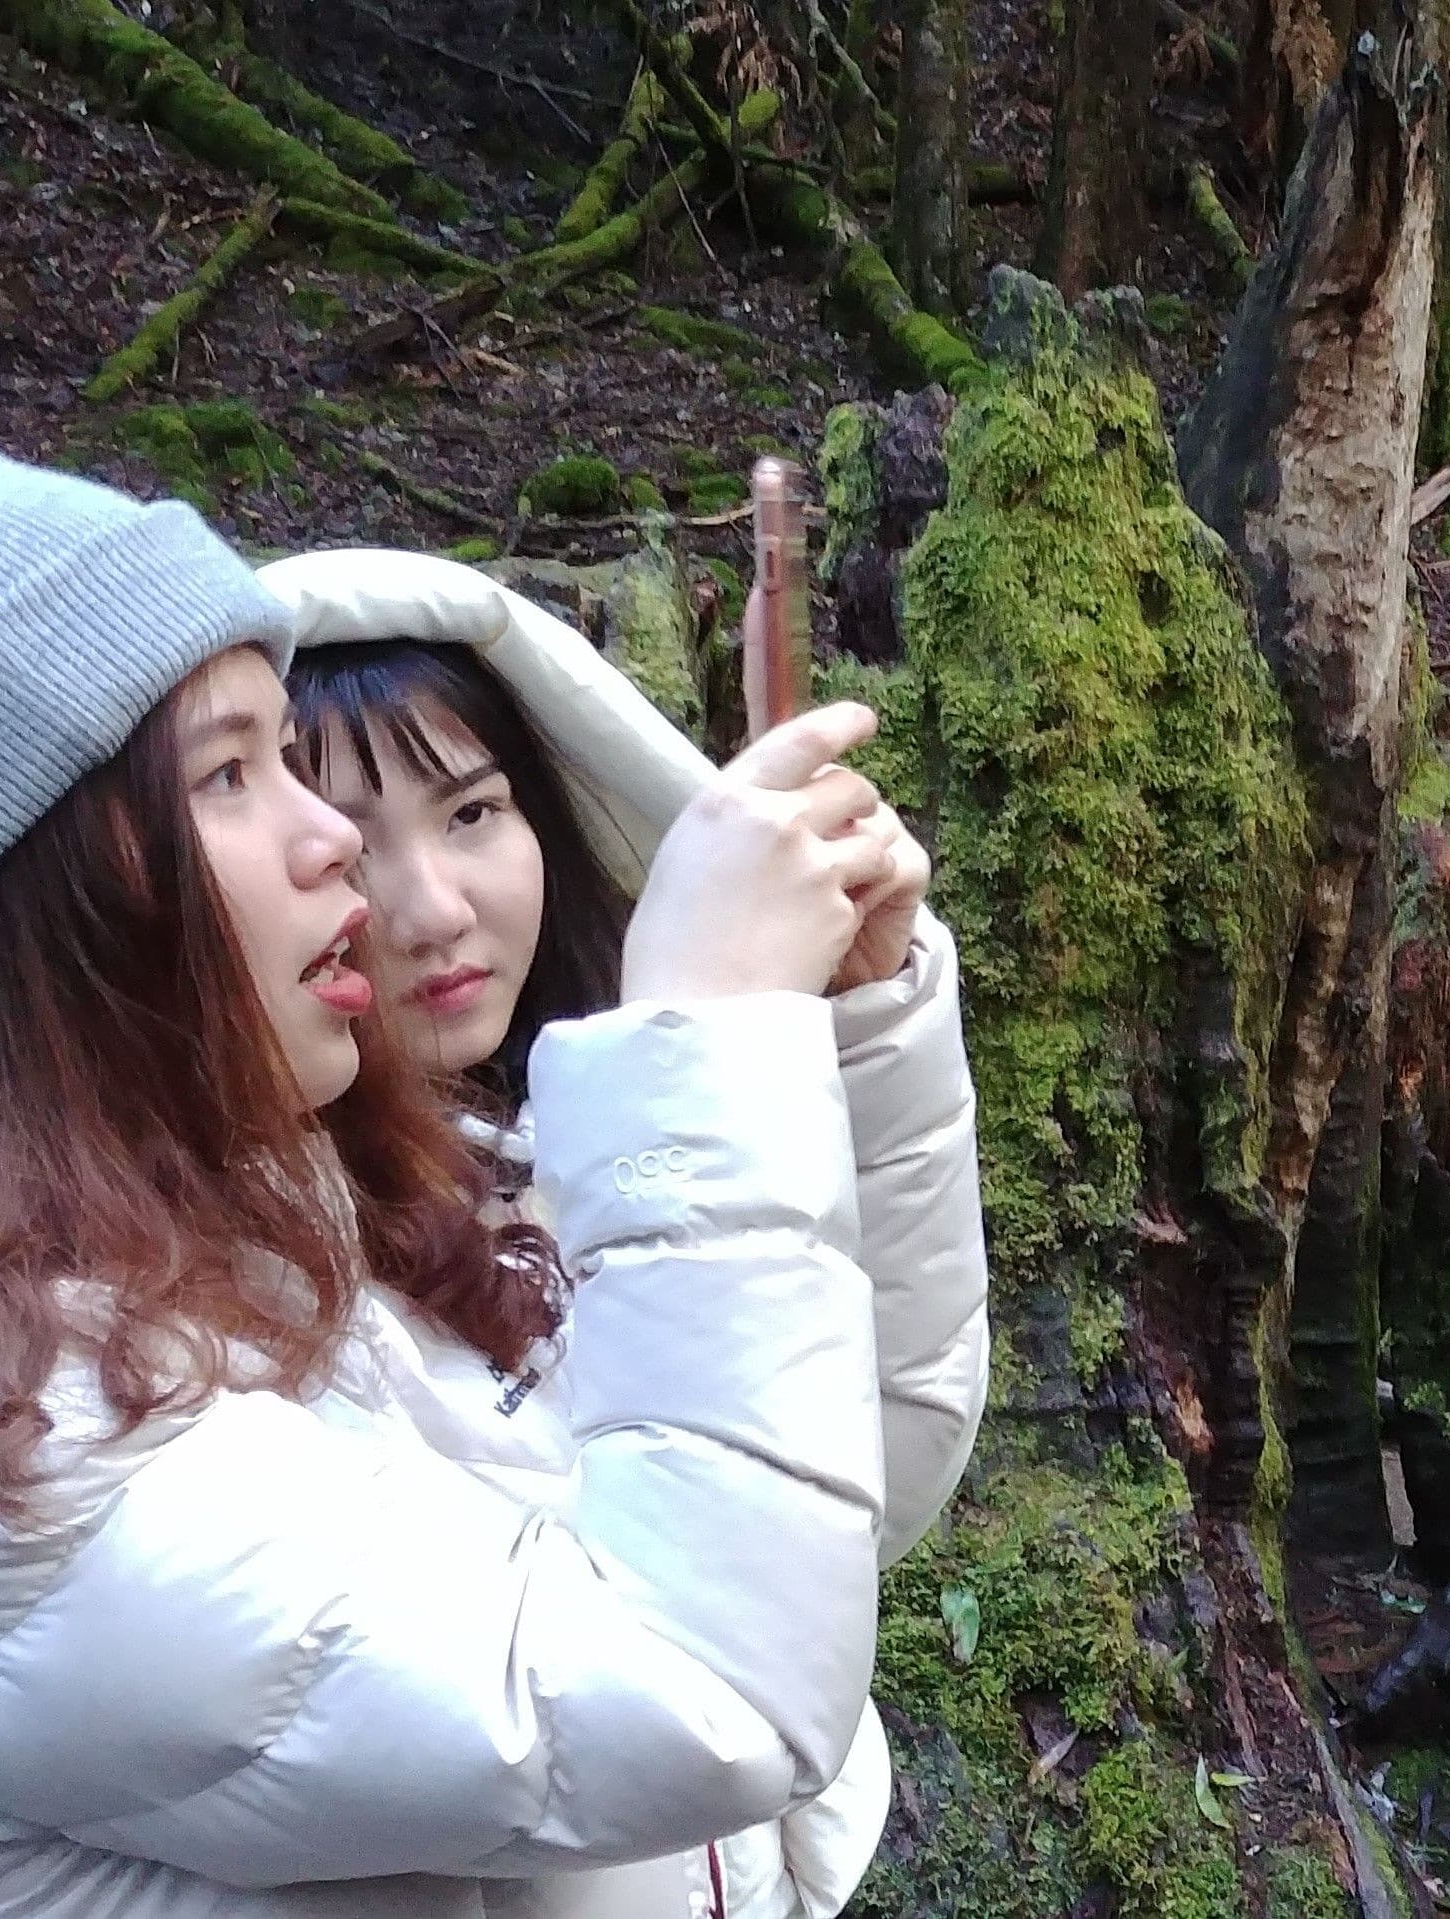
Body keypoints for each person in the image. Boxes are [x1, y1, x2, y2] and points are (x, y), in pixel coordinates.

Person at [0, 410, 908, 1919]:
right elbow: (707, 1695)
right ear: (36, 900)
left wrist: (847, 1035)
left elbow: (851, 1487)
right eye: (227, 778)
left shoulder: (311, 1212)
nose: (330, 834)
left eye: (285, 756)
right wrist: (707, 1047)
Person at [258, 546, 991, 1919]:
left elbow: (873, 1469)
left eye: (472, 812)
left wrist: (864, 1024)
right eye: (350, 850)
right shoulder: (261, 1275)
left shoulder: (588, 1136)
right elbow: (631, 1700)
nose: (431, 909)